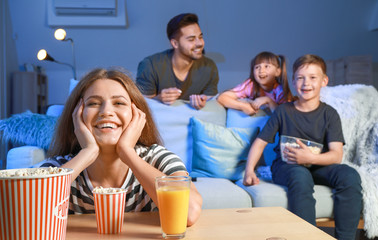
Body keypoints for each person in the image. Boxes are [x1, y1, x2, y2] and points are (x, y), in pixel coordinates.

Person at [38, 68, 202, 226]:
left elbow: (188, 213)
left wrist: (128, 153)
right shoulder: (58, 169)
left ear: (137, 114)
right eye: (93, 103)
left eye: (119, 102)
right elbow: (28, 212)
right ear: (76, 115)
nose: (106, 111)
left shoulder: (158, 160)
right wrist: (88, 153)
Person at [243, 55, 362, 240]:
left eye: (313, 77)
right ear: (293, 81)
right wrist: (249, 170)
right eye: (300, 77)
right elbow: (260, 142)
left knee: (349, 175)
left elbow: (336, 155)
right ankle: (308, 237)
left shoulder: (330, 114)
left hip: (317, 165)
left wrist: (310, 159)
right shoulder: (283, 111)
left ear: (324, 81)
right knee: (301, 176)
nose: (306, 83)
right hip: (286, 166)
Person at [136, 13, 219, 110]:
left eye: (200, 37)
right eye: (191, 39)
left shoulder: (209, 67)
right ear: (175, 43)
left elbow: (211, 104)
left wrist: (203, 104)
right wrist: (159, 98)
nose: (200, 43)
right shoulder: (150, 66)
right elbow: (141, 107)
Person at [217, 51, 293, 115]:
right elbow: (222, 98)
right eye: (257, 67)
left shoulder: (280, 90)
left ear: (277, 72)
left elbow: (283, 116)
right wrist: (243, 106)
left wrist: (268, 100)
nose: (261, 70)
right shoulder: (250, 85)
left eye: (266, 66)